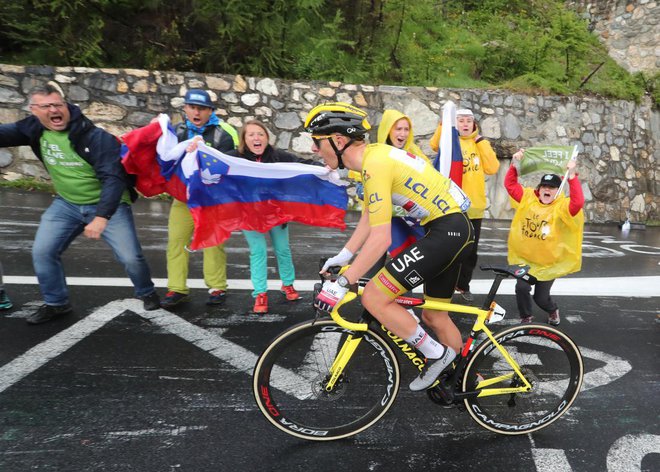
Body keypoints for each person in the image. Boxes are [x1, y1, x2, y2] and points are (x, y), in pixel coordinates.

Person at [305, 102, 474, 392]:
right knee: (434, 316)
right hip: (451, 228)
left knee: (373, 295)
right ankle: (467, 381)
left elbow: (381, 239)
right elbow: (370, 219)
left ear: (339, 141)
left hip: (448, 230)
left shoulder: (375, 164)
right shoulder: (374, 158)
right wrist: (344, 256)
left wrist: (343, 282)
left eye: (316, 142)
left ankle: (438, 355)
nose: (313, 150)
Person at [0, 83, 159, 324]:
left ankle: (146, 292)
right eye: (47, 106)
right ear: (34, 110)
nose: (54, 109)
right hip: (67, 204)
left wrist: (101, 217)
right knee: (43, 252)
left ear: (66, 106)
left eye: (58, 104)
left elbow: (113, 179)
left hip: (109, 205)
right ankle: (56, 303)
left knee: (130, 257)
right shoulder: (33, 128)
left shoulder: (95, 137)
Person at [160, 89, 239, 308]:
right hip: (183, 199)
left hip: (212, 199)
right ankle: (177, 289)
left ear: (210, 111)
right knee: (176, 242)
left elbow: (233, 162)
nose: (197, 112)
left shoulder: (224, 132)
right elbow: (166, 159)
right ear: (185, 109)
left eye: (202, 108)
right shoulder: (176, 131)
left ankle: (217, 287)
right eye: (192, 107)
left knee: (213, 243)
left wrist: (204, 154)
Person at [226, 120, 312, 314]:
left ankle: (287, 284)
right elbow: (212, 162)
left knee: (282, 249)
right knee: (258, 251)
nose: (256, 138)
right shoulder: (235, 157)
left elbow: (300, 163)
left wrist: (324, 167)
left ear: (266, 137)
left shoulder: (276, 156)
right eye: (251, 135)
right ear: (244, 139)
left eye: (260, 134)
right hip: (249, 215)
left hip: (276, 212)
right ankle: (260, 293)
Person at [505, 149, 585, 326]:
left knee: (540, 298)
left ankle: (552, 309)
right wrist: (514, 164)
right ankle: (526, 317)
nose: (547, 190)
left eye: (552, 188)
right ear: (539, 189)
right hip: (526, 261)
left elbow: (577, 203)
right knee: (521, 288)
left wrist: (572, 176)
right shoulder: (527, 198)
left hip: (548, 264)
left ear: (558, 191)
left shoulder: (562, 207)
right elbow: (511, 186)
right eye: (544, 187)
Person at [430, 108, 499, 302]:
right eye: (461, 120)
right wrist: (444, 124)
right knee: (450, 247)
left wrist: (482, 143)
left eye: (469, 120)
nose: (466, 124)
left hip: (474, 208)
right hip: (452, 206)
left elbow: (492, 168)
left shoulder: (479, 143)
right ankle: (444, 285)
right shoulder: (450, 141)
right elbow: (434, 145)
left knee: (470, 251)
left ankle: (463, 284)